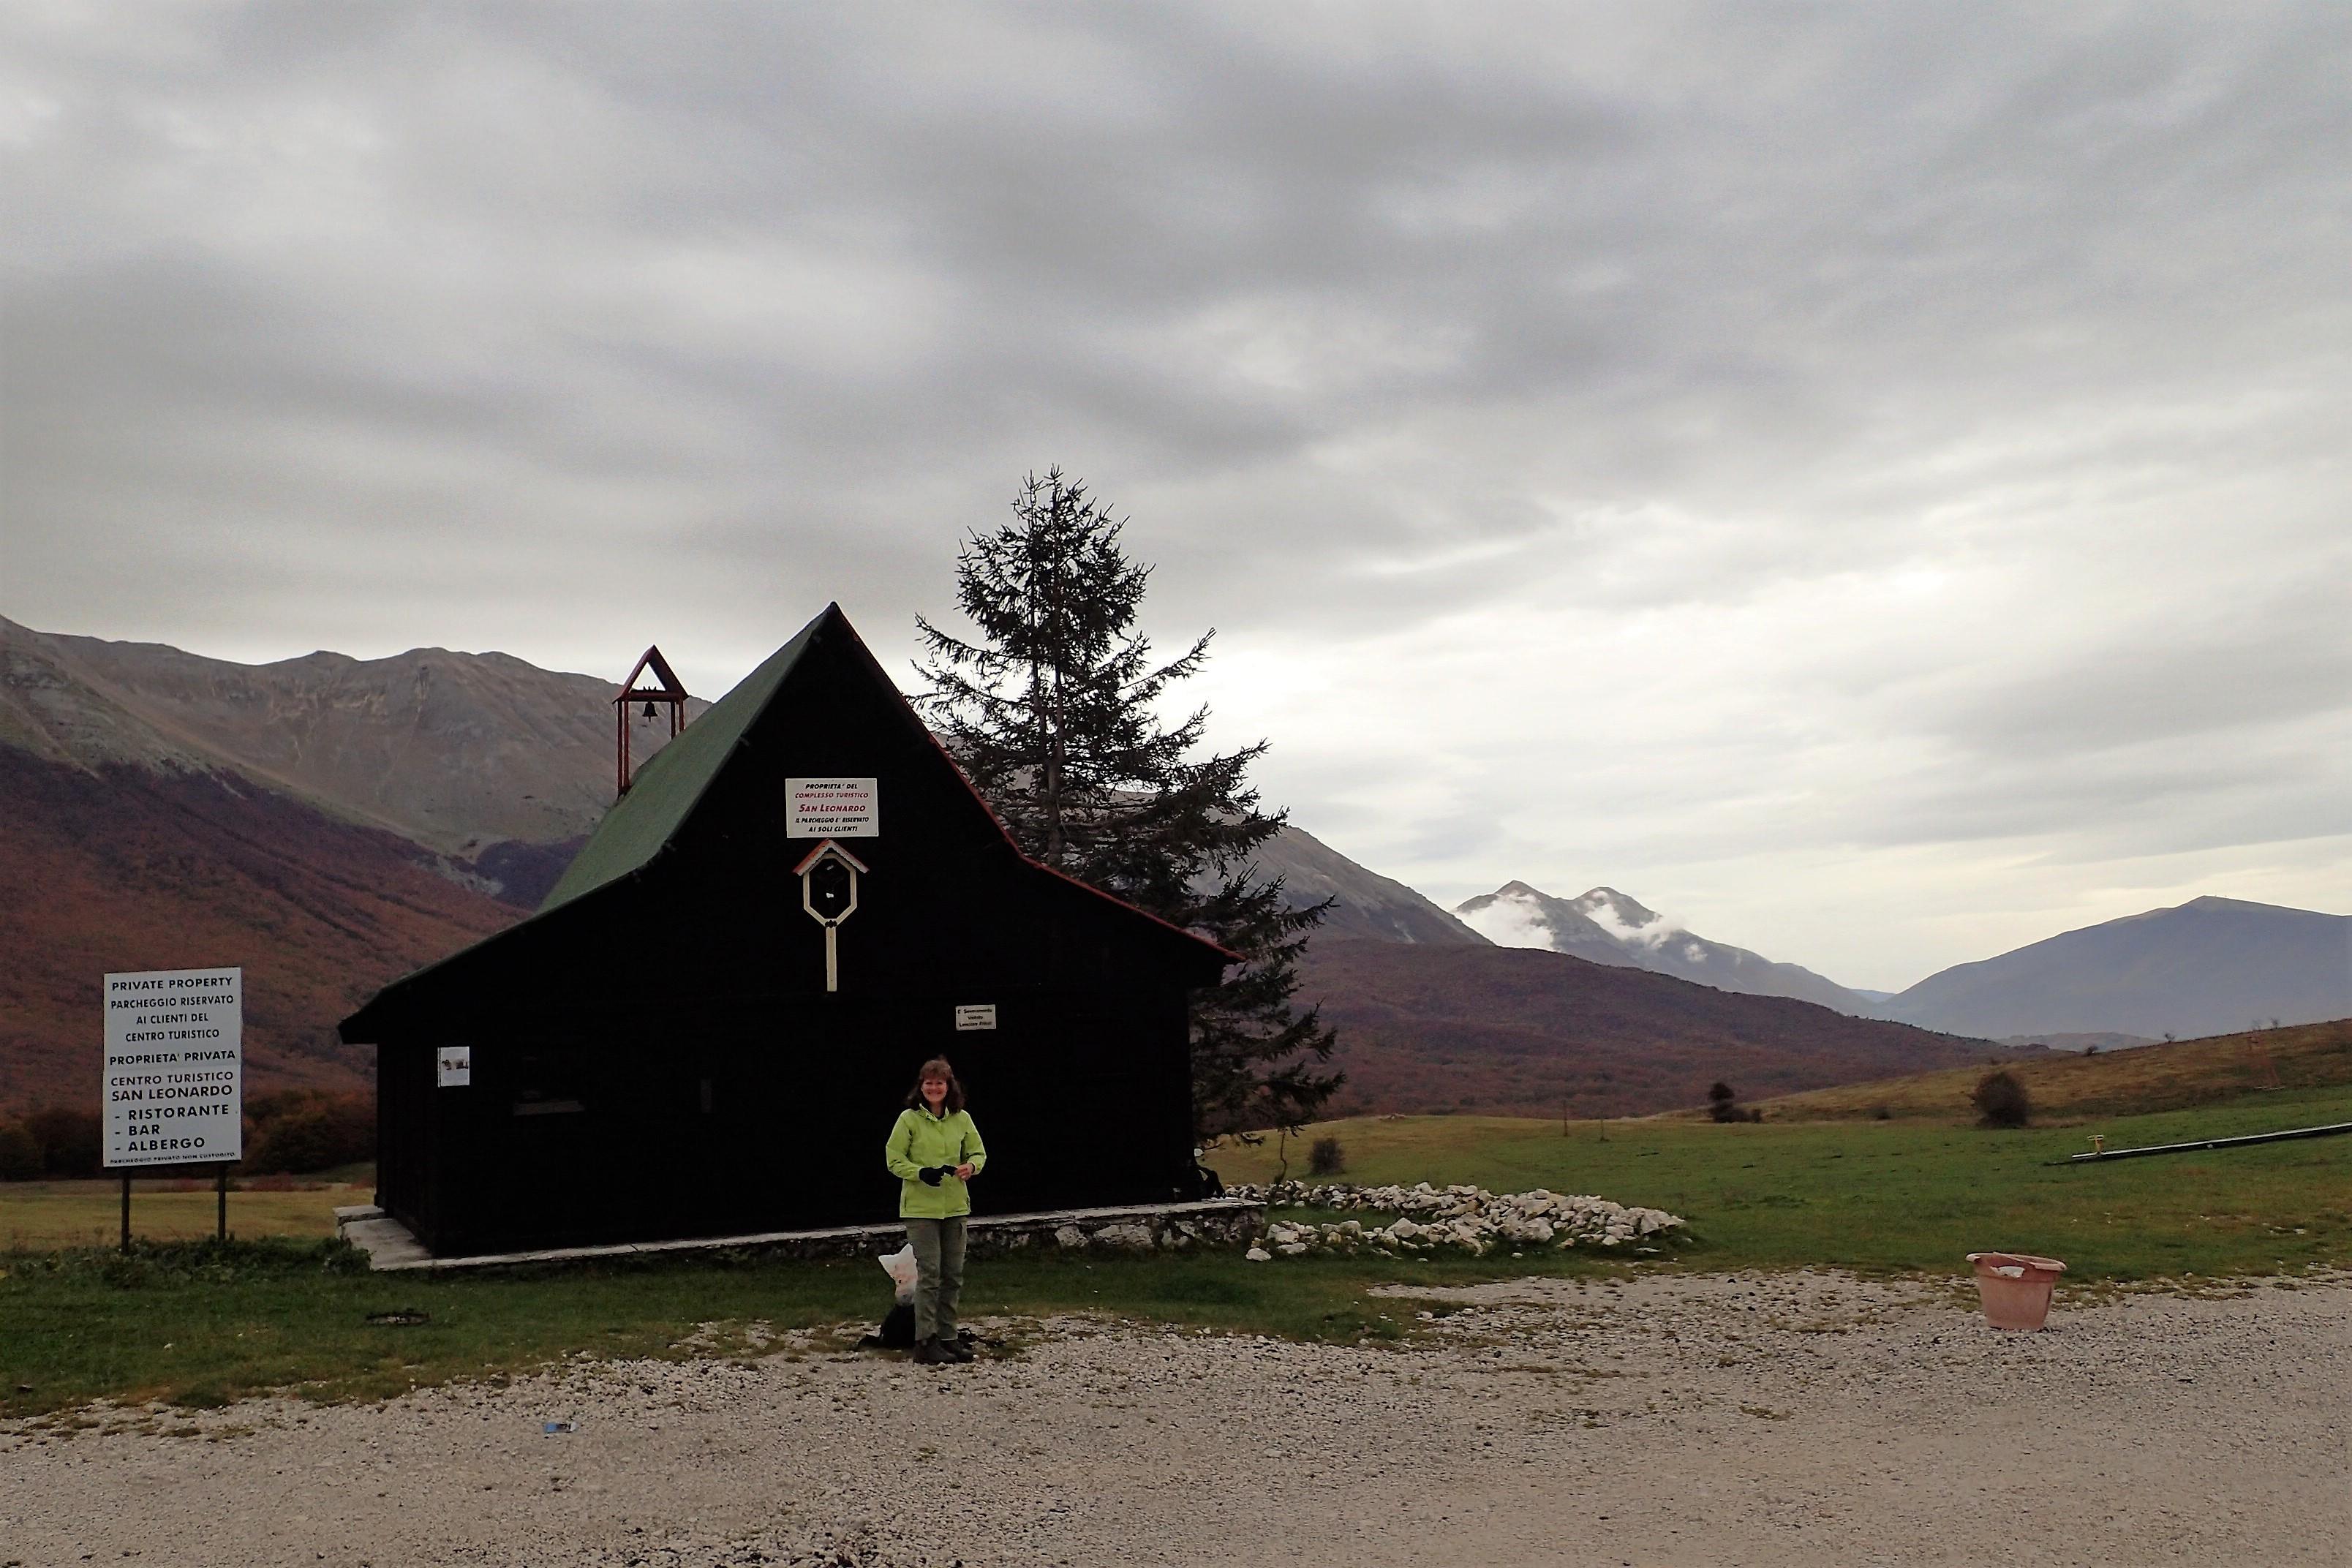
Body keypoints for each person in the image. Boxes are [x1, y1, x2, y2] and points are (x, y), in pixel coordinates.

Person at [883, 1057, 987, 1365]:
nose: (934, 1087)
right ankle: (924, 1341)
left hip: (955, 1207)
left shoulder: (962, 1119)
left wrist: (972, 1166)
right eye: (928, 1082)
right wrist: (919, 1173)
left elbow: (979, 1152)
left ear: (948, 1086)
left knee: (953, 1275)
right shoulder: (908, 1120)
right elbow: (893, 1158)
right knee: (930, 1275)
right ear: (921, 1086)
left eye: (939, 1082)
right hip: (921, 1209)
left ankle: (948, 1337)